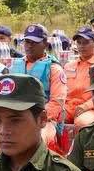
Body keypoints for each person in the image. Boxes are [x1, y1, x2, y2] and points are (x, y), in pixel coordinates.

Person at [9, 24, 67, 152]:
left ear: (45, 44)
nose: (29, 46)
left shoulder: (54, 69)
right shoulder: (14, 66)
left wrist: (32, 120)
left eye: (34, 42)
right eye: (27, 42)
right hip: (16, 118)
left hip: (44, 121)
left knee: (40, 138)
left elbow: (56, 103)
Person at [63, 27, 94, 129]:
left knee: (83, 123)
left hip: (91, 109)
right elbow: (62, 91)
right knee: (49, 118)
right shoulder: (69, 66)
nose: (82, 46)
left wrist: (86, 106)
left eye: (86, 42)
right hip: (68, 107)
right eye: (79, 42)